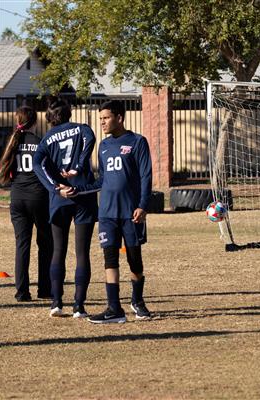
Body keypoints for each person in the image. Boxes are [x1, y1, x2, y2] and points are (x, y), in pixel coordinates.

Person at [60, 100, 152, 323]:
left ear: (119, 118)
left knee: (134, 261)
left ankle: (137, 301)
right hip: (107, 214)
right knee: (110, 260)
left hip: (131, 214)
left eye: (106, 118)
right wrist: (76, 189)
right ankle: (114, 309)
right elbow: (101, 180)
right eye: (100, 118)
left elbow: (146, 177)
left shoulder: (138, 142)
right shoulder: (103, 146)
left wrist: (142, 206)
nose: (102, 122)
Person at [32, 98, 97, 318]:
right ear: (69, 113)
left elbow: (37, 162)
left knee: (58, 250)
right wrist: (79, 166)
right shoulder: (82, 129)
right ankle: (79, 306)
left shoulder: (47, 138)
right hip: (83, 194)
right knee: (82, 253)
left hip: (60, 197)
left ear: (49, 117)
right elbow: (90, 138)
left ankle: (56, 303)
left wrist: (55, 188)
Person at [0, 106, 52, 301]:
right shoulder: (40, 143)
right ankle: (45, 290)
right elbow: (48, 171)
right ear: (35, 122)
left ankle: (22, 292)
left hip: (18, 198)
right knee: (45, 244)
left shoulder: (13, 142)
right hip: (38, 198)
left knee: (22, 245)